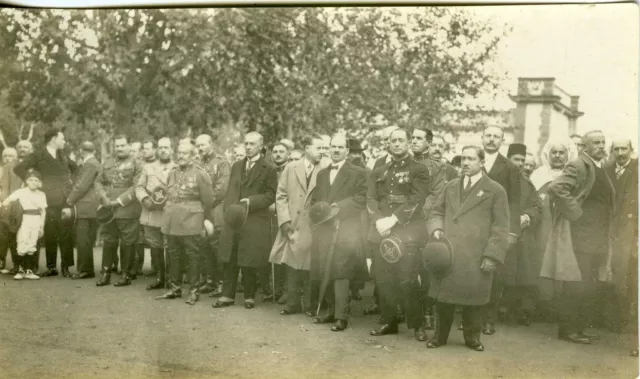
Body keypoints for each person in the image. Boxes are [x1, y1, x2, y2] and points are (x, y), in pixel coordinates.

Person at [426, 145, 509, 352]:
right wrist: (436, 229)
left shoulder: (495, 190)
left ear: (482, 162)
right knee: (444, 298)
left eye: (471, 159)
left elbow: (501, 227)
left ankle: (472, 338)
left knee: (474, 299)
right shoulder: (451, 186)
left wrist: (492, 255)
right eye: (463, 158)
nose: (465, 163)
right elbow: (436, 210)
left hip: (476, 254)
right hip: (449, 253)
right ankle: (439, 336)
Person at [543, 130, 615, 344]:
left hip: (597, 235)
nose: (601, 146)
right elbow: (556, 188)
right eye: (595, 143)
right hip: (581, 234)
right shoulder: (579, 165)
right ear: (584, 146)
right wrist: (577, 214)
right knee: (576, 283)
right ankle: (568, 329)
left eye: (603, 142)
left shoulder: (599, 166)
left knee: (588, 283)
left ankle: (579, 327)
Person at [367, 128, 430, 342]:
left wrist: (393, 220)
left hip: (407, 230)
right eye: (393, 141)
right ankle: (389, 321)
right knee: (384, 278)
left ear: (408, 143)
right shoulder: (379, 170)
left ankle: (417, 324)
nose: (396, 144)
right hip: (382, 229)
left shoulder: (419, 169)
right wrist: (378, 220)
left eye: (401, 140)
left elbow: (417, 199)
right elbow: (371, 199)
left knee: (408, 279)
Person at [310, 134, 367, 332]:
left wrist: (338, 207)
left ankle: (341, 316)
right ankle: (329, 311)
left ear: (347, 151)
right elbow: (317, 198)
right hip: (326, 227)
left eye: (340, 147)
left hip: (346, 228)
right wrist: (319, 210)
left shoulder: (358, 172)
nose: (335, 150)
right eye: (332, 147)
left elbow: (362, 198)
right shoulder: (322, 174)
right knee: (326, 266)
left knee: (341, 270)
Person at [214, 132, 277, 310]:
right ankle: (227, 295)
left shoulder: (269, 168)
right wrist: (229, 210)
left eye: (252, 144)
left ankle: (249, 295)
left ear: (261, 145)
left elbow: (271, 195)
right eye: (246, 144)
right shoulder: (236, 165)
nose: (248, 147)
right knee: (230, 255)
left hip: (254, 217)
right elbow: (230, 191)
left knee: (249, 258)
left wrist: (252, 201)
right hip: (234, 218)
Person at [269, 134, 322, 316]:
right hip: (293, 224)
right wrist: (284, 220)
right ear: (307, 148)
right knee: (292, 264)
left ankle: (309, 304)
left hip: (313, 226)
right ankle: (293, 304)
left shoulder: (325, 168)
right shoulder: (292, 168)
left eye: (324, 149)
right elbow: (281, 195)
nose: (322, 152)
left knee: (310, 266)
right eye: (318, 148)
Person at [156, 142, 214, 305]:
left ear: (193, 155)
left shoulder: (201, 174)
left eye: (185, 154)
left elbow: (208, 201)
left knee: (192, 256)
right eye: (179, 153)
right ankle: (175, 288)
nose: (181, 156)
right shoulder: (172, 172)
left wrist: (205, 220)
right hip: (172, 219)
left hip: (191, 220)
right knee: (173, 254)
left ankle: (194, 291)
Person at [14, 128, 77, 278]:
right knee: (50, 233)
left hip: (65, 199)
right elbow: (19, 168)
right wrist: (32, 182)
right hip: (46, 200)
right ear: (53, 139)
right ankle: (51, 267)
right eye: (62, 138)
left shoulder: (63, 155)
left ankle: (66, 267)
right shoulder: (38, 155)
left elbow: (76, 169)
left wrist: (70, 184)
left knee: (66, 234)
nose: (64, 141)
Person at [480, 125, 521, 335]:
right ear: (482, 138)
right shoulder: (472, 162)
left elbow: (515, 202)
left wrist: (512, 232)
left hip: (497, 227)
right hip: (473, 227)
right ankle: (472, 316)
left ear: (501, 141)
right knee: (471, 271)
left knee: (494, 275)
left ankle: (489, 319)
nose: (491, 140)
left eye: (496, 137)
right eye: (488, 136)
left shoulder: (510, 168)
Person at [95, 135, 143, 287]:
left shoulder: (137, 164)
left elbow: (137, 187)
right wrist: (103, 197)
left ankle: (126, 274)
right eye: (117, 146)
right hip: (108, 209)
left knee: (128, 242)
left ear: (129, 146)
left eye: (123, 145)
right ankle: (105, 273)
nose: (120, 148)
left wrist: (118, 201)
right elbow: (98, 182)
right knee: (109, 240)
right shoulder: (107, 162)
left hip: (127, 209)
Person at [604, 138, 638, 356]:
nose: (620, 153)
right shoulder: (606, 169)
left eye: (624, 149)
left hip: (629, 229)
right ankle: (606, 318)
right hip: (608, 227)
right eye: (616, 149)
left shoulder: (637, 170)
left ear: (631, 150)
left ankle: (623, 319)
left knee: (626, 274)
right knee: (607, 271)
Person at [503, 143, 541, 326]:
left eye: (522, 160)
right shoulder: (498, 178)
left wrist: (527, 215)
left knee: (522, 273)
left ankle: (517, 311)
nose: (519, 164)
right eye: (515, 159)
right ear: (508, 159)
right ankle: (498, 311)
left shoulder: (527, 183)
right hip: (501, 233)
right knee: (503, 273)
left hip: (522, 236)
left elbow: (536, 206)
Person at [135, 137, 175, 290]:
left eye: (166, 147)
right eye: (160, 147)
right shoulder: (148, 168)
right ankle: (160, 277)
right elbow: (139, 187)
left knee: (171, 247)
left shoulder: (177, 168)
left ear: (172, 149)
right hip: (151, 213)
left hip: (168, 214)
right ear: (157, 150)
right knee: (155, 246)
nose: (163, 150)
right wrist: (144, 199)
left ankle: (172, 280)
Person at [194, 134, 230, 297]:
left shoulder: (222, 163)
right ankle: (210, 281)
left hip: (215, 209)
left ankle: (222, 283)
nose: (200, 148)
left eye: (203, 145)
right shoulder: (197, 163)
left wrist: (204, 205)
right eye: (198, 145)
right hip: (200, 210)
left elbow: (221, 189)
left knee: (217, 246)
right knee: (204, 245)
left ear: (211, 145)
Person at [1, 169, 46, 280]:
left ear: (39, 182)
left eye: (36, 180)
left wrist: (42, 226)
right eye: (31, 180)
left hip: (36, 220)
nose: (33, 182)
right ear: (26, 181)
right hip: (24, 220)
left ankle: (28, 270)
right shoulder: (21, 192)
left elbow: (43, 211)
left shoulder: (41, 194)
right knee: (22, 242)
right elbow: (6, 201)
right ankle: (20, 270)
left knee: (32, 244)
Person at [65, 141, 101, 279]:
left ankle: (85, 269)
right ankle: (86, 268)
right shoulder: (94, 162)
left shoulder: (89, 164)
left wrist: (69, 200)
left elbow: (81, 186)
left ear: (81, 151)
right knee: (85, 238)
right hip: (91, 205)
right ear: (94, 150)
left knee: (83, 239)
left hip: (85, 205)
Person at [269, 142, 291, 302]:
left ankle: (286, 291)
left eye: (281, 151)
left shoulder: (292, 170)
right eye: (275, 151)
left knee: (285, 254)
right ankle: (274, 289)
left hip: (286, 215)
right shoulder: (269, 171)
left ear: (288, 154)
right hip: (270, 217)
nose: (277, 154)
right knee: (273, 253)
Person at [0, 148, 22, 274]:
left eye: (11, 156)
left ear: (16, 157)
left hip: (10, 205)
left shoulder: (16, 171)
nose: (8, 158)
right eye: (5, 155)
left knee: (10, 233)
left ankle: (16, 263)